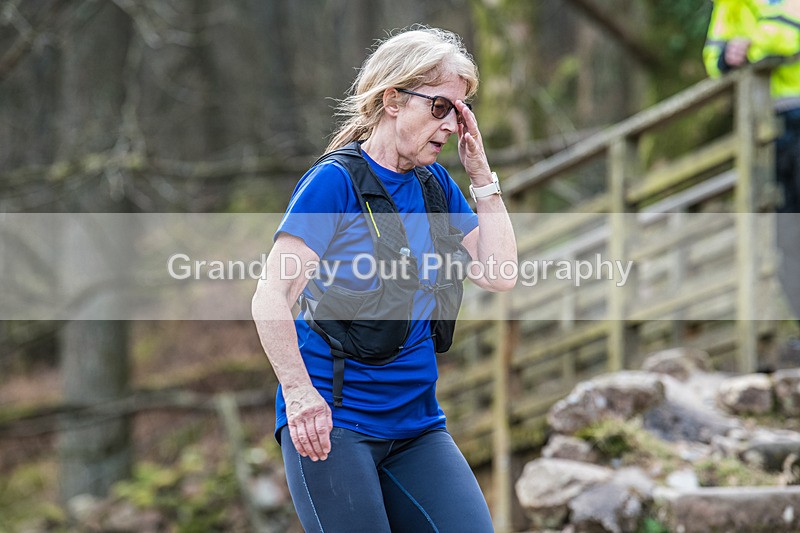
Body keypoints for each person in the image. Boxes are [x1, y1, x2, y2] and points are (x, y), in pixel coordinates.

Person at [252, 26, 516, 532]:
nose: (451, 125)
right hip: (333, 425)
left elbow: (499, 273)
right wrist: (300, 395)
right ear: (393, 100)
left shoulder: (435, 182)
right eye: (441, 107)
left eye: (460, 111)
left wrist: (483, 178)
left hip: (418, 426)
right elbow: (271, 295)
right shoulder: (335, 182)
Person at [704, 0, 800, 337]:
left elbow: (791, 32)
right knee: (784, 236)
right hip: (767, 129)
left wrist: (750, 46)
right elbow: (713, 57)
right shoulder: (729, 4)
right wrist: (727, 56)